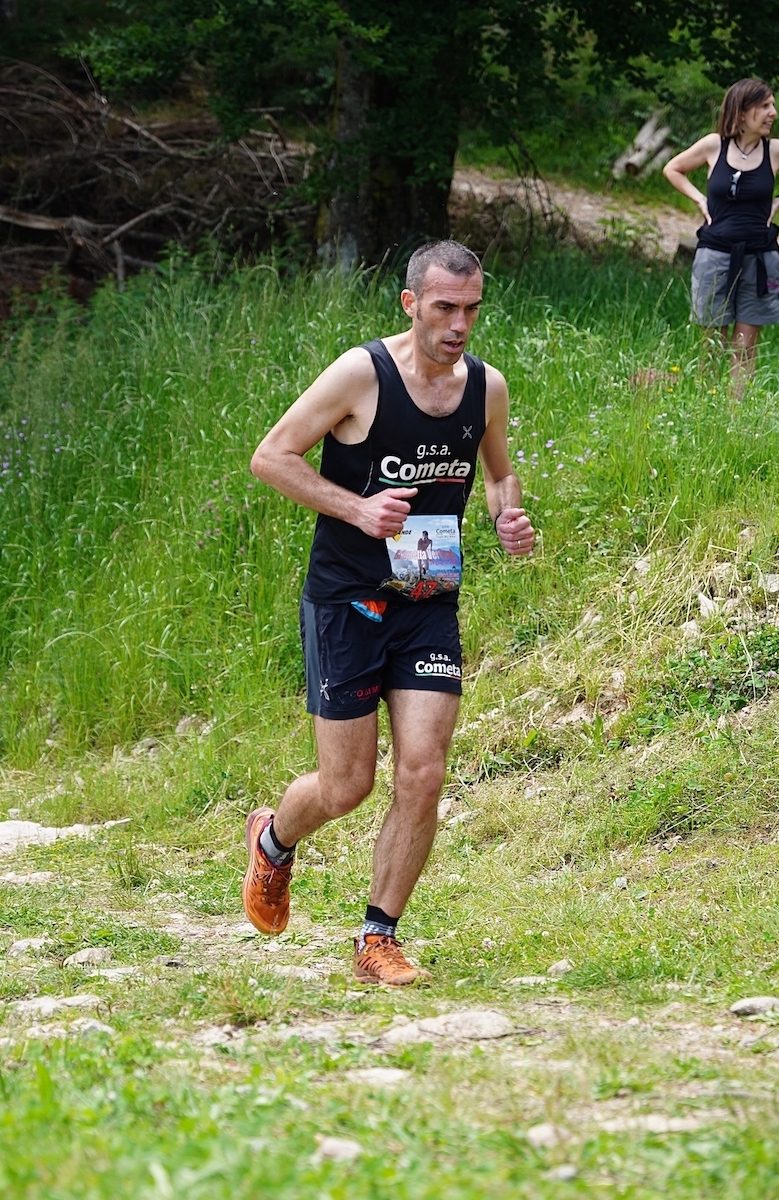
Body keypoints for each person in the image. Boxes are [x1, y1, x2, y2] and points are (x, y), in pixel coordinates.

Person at [243, 239, 535, 985]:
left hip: (428, 599)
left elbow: (499, 475)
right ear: (411, 304)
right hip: (348, 599)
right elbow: (271, 457)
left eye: (471, 309)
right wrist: (358, 509)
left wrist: (508, 517)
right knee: (347, 786)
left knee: (423, 772)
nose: (459, 325)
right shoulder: (360, 374)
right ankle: (273, 841)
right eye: (444, 308)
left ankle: (378, 937)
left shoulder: (486, 388)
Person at [663, 78, 779, 399]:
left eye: (772, 105)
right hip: (715, 254)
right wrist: (699, 199)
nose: (773, 113)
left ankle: (736, 413)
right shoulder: (714, 145)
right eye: (764, 106)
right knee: (712, 343)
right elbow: (673, 169)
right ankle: (705, 409)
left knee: (745, 346)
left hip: (761, 258)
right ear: (741, 112)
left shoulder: (776, 151)